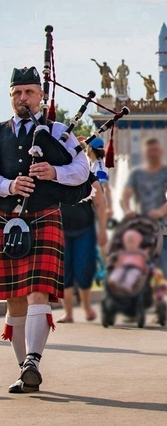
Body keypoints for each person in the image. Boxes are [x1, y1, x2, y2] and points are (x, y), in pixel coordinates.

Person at [1, 66, 90, 393]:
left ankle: (33, 361)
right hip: (8, 220)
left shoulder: (58, 132)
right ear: (10, 96)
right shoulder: (0, 133)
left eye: (29, 92)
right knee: (13, 297)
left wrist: (54, 171)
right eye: (17, 93)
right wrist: (10, 185)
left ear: (41, 95)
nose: (23, 98)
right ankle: (23, 369)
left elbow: (82, 171)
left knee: (38, 289)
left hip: (43, 215)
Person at [120, 137, 167, 279]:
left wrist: (160, 212)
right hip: (142, 229)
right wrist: (127, 210)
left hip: (166, 230)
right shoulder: (137, 174)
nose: (152, 154)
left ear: (161, 152)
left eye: (155, 151)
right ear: (144, 153)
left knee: (161, 274)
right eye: (149, 151)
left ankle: (157, 298)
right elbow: (124, 196)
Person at [57, 170, 108, 323]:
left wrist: (103, 230)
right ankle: (68, 313)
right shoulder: (55, 174)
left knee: (84, 269)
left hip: (85, 230)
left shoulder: (89, 177)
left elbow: (99, 205)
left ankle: (86, 307)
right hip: (61, 231)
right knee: (64, 272)